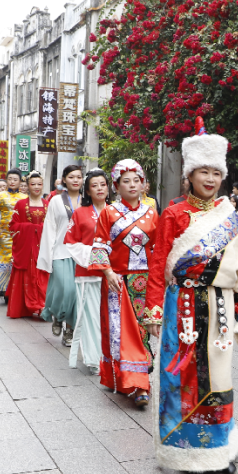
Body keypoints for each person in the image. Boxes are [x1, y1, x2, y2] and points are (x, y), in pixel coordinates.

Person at [143, 120, 238, 474]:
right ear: (190, 175)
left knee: (219, 378)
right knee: (179, 378)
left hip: (218, 306)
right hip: (181, 308)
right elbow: (157, 265)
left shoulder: (230, 217)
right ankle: (183, 450)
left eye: (215, 173)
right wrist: (152, 310)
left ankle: (219, 448)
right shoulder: (174, 214)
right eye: (203, 172)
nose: (210, 180)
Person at [91, 159, 159, 407]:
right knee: (120, 333)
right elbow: (99, 246)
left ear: (143, 185)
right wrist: (108, 273)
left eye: (136, 180)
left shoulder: (152, 213)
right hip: (117, 280)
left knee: (142, 331)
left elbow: (157, 249)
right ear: (116, 186)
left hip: (145, 281)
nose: (132, 184)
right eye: (126, 181)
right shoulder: (108, 213)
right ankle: (133, 382)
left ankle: (138, 381)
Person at [63, 170, 110, 374]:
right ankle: (93, 359)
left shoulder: (117, 211)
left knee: (109, 317)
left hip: (115, 274)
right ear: (88, 190)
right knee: (91, 317)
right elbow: (71, 242)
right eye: (95, 185)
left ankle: (109, 357)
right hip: (88, 272)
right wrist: (95, 255)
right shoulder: (80, 213)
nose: (100, 188)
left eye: (103, 184)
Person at [39, 164, 84, 344]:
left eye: (79, 177)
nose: (75, 180)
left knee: (76, 295)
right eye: (71, 177)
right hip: (60, 251)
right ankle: (57, 314)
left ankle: (70, 330)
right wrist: (47, 256)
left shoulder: (87, 200)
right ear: (64, 180)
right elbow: (50, 228)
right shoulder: (56, 201)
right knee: (65, 289)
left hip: (81, 253)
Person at [5, 173, 50, 319]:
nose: (36, 187)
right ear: (27, 186)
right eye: (33, 184)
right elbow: (13, 226)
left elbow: (52, 227)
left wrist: (41, 228)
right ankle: (28, 306)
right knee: (27, 275)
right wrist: (32, 228)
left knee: (42, 275)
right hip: (27, 248)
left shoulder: (48, 205)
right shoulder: (20, 205)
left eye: (39, 184)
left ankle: (42, 306)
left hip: (43, 247)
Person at [0, 170, 26, 297]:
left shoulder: (25, 197)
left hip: (20, 233)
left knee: (18, 258)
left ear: (20, 181)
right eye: (10, 179)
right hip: (4, 233)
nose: (12, 181)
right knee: (5, 258)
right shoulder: (1, 196)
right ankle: (3, 286)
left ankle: (16, 287)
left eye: (15, 179)